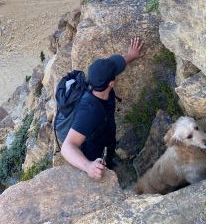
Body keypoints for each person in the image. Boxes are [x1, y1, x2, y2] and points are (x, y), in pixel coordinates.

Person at [61, 37, 144, 179]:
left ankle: (110, 161)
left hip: (106, 138)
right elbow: (67, 147)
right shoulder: (89, 111)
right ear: (111, 83)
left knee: (109, 155)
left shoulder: (98, 81)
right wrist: (88, 166)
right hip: (93, 153)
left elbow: (117, 66)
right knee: (102, 169)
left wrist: (130, 56)